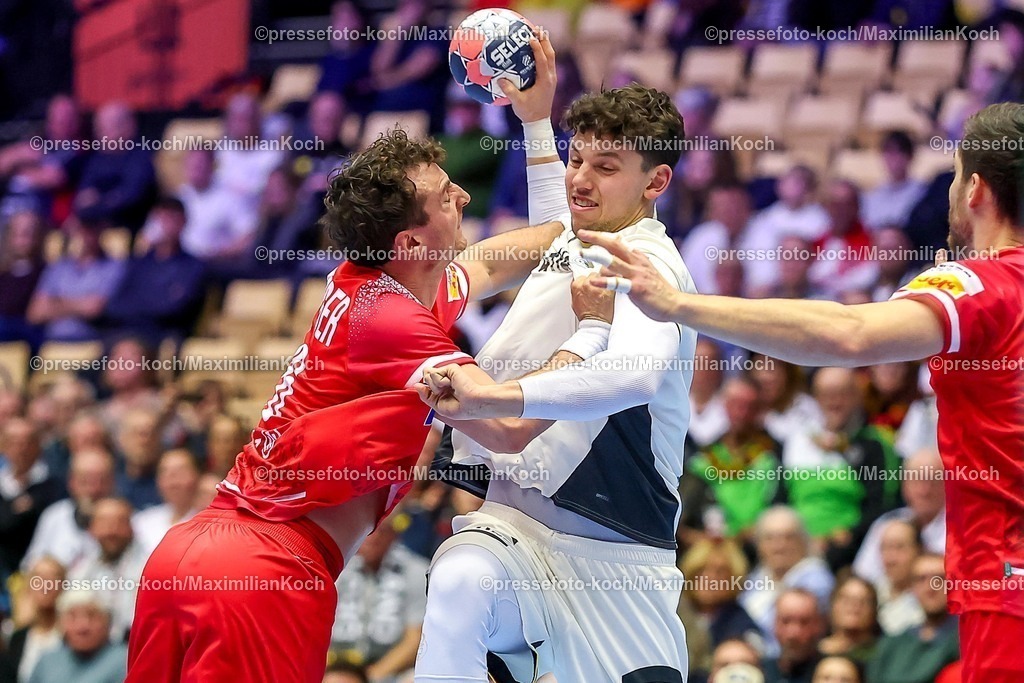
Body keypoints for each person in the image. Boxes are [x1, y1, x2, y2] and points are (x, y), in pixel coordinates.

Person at [578, 101, 1024, 681]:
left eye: (956, 175)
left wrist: (678, 304)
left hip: (1005, 573)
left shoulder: (975, 285)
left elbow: (850, 334)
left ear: (976, 190)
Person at [125, 125, 563, 682]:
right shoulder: (391, 319)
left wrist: (577, 234)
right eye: (446, 193)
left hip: (189, 554)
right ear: (409, 242)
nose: (465, 197)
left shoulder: (386, 286)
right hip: (265, 570)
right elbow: (509, 424)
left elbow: (492, 264)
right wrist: (591, 342)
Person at [413, 32, 695, 682]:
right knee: (459, 579)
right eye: (577, 159)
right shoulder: (578, 235)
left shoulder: (649, 262)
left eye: (605, 166)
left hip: (617, 572)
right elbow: (554, 231)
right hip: (512, 534)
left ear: (656, 181)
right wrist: (536, 119)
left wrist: (501, 399)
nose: (580, 178)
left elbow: (639, 372)